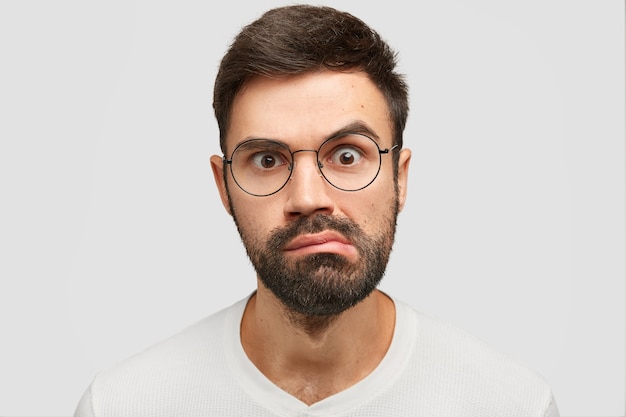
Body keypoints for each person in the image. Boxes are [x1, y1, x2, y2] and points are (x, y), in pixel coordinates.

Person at [74, 5, 559, 416]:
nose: (307, 198)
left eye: (347, 155)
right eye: (267, 160)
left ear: (400, 177)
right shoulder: (124, 405)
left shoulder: (510, 404)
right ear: (223, 187)